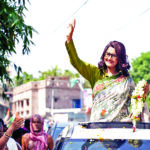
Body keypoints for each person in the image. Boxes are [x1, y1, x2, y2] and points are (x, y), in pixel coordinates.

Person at [65, 19, 150, 122]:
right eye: (107, 54)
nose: (109, 58)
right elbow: (76, 62)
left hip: (120, 130)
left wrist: (143, 94)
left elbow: (136, 102)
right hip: (98, 129)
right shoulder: (95, 73)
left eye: (114, 55)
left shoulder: (127, 80)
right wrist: (69, 39)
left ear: (120, 58)